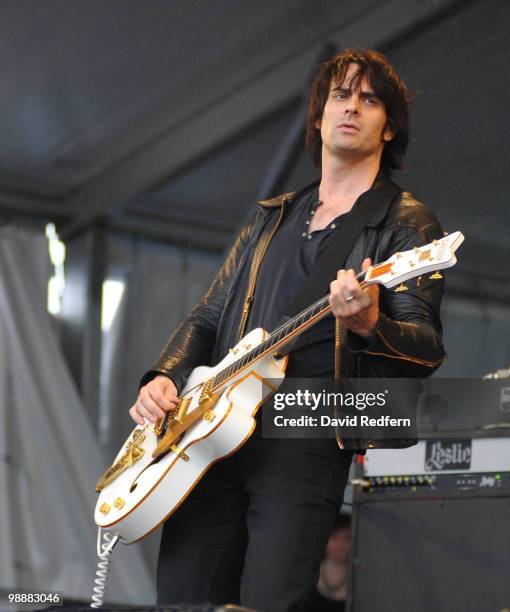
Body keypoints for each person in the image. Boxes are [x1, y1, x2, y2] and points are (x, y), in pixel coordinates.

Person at [129, 49, 446, 611]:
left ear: (389, 126)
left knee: (269, 602)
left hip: (307, 433)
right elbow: (208, 315)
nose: (352, 108)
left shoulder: (407, 221)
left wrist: (372, 321)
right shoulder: (272, 216)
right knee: (182, 598)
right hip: (213, 435)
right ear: (319, 118)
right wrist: (163, 376)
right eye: (340, 96)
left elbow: (425, 346)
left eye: (369, 100)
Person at [310, 514, 351, 611]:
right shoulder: (309, 572)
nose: (340, 545)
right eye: (334, 537)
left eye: (347, 538)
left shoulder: (360, 580)